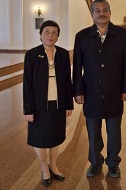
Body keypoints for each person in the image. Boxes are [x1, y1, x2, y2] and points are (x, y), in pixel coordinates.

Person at [73, 0, 126, 178]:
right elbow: (77, 66)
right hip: (90, 92)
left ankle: (113, 163)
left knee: (114, 132)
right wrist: (78, 91)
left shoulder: (123, 35)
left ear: (110, 12)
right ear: (92, 14)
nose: (101, 13)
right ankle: (95, 162)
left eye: (105, 9)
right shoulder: (82, 36)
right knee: (93, 132)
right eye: (97, 10)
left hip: (115, 91)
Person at [23, 20, 74, 186]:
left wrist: (68, 104)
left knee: (56, 135)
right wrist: (28, 109)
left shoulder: (63, 54)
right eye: (46, 32)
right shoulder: (32, 54)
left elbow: (67, 81)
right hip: (38, 106)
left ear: (58, 37)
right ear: (40, 35)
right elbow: (27, 84)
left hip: (57, 104)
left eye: (54, 32)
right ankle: (44, 168)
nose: (50, 35)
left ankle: (54, 166)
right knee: (39, 137)